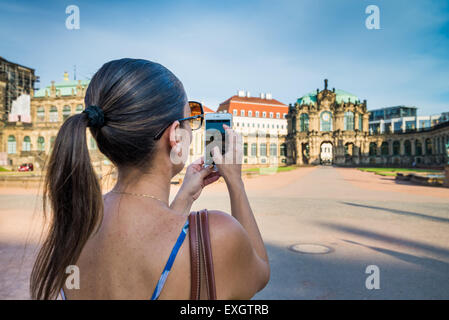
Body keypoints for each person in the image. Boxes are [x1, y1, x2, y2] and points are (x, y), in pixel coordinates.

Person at [30, 58, 270, 300]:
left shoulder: (74, 225)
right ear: (175, 135)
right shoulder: (217, 235)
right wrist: (235, 183)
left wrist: (183, 198)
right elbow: (259, 272)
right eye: (191, 121)